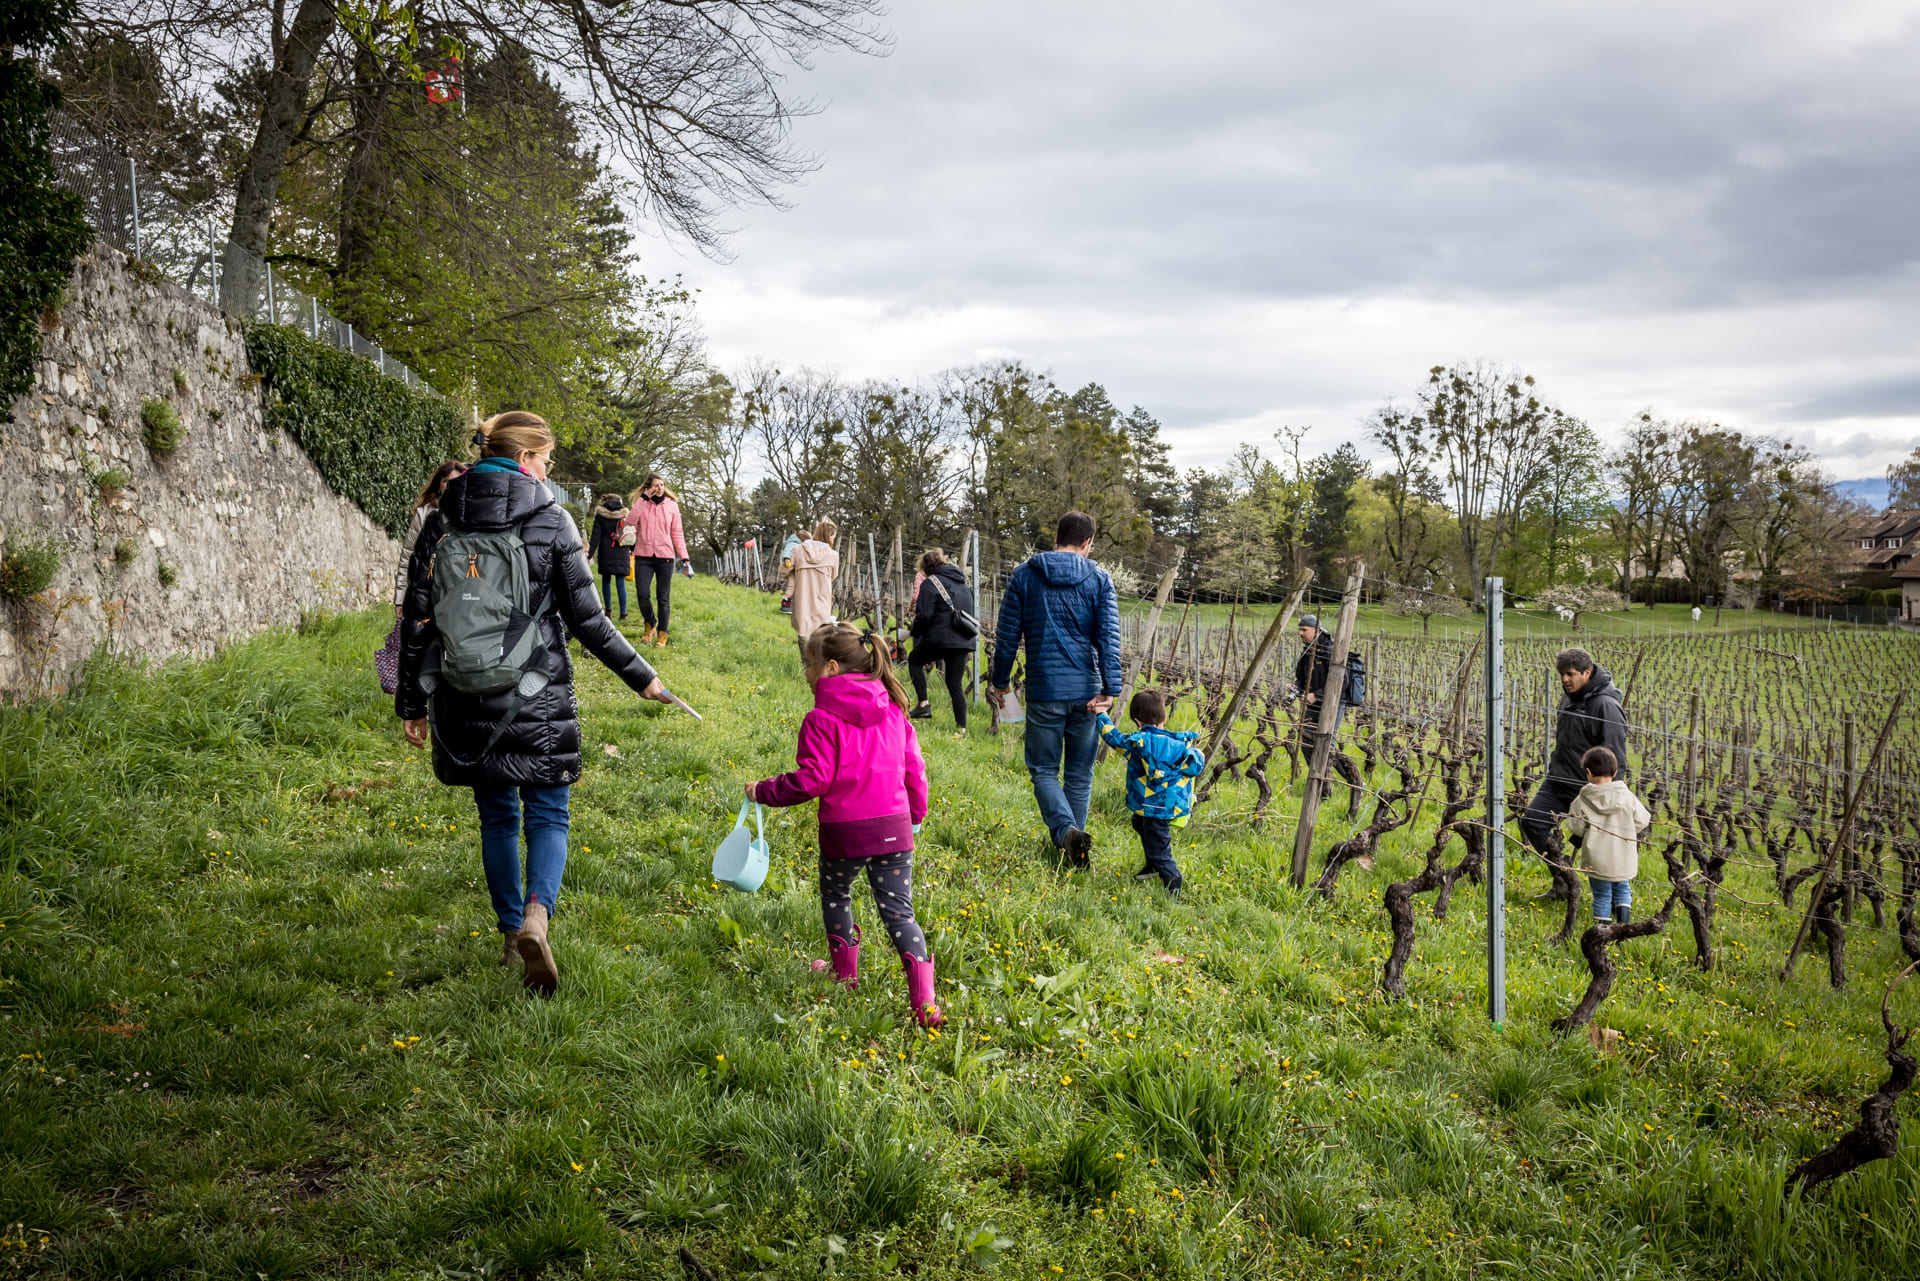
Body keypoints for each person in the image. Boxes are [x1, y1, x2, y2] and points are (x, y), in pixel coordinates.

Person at [396, 411, 672, 996]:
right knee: (548, 812)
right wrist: (643, 677)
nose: (547, 470)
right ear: (524, 459)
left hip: (461, 690)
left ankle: (507, 934)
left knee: (496, 815)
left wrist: (412, 704)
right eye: (545, 459)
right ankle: (536, 917)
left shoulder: (441, 518)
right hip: (535, 690)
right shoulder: (552, 519)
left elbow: (416, 620)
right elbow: (588, 620)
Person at [747, 623, 940, 1026]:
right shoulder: (894, 710)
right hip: (894, 828)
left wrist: (763, 790)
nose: (806, 672)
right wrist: (916, 816)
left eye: (809, 664)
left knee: (837, 895)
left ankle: (844, 975)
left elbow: (812, 780)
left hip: (845, 831)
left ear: (831, 667)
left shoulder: (821, 719)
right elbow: (915, 770)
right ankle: (925, 1005)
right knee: (900, 913)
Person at [989, 511, 1121, 869]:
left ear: (1056, 537)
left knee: (1044, 770)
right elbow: (1109, 639)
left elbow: (1006, 637)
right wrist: (1111, 688)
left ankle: (1067, 834)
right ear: (1087, 542)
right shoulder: (1099, 579)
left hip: (1045, 688)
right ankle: (1073, 847)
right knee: (1079, 774)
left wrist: (1001, 682)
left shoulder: (1025, 575)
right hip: (1087, 691)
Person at [1519, 646, 1629, 868]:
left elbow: (1616, 757)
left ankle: (1609, 893)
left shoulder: (1606, 706)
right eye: (1562, 674)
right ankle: (1563, 875)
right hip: (1558, 780)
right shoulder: (1568, 698)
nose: (1564, 679)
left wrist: (1608, 797)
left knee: (1600, 853)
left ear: (1587, 672)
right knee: (1532, 822)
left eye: (1570, 674)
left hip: (1588, 788)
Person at [1097, 687, 1205, 895]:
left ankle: (1172, 886)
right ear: (1164, 718)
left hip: (1153, 806)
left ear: (1137, 721)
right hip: (1168, 804)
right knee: (1139, 822)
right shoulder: (1180, 744)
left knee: (1159, 848)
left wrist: (1101, 714)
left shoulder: (1139, 744)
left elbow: (1113, 737)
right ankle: (1153, 866)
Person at [1565, 745, 1650, 924]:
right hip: (1623, 856)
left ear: (1588, 772)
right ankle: (1623, 928)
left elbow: (1575, 826)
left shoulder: (1583, 798)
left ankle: (1603, 932)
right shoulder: (1627, 796)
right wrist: (1627, 828)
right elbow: (1643, 819)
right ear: (1615, 772)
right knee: (1623, 889)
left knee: (1601, 895)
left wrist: (1588, 832)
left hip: (1597, 860)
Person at [1290, 614, 1363, 795]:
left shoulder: (1331, 651)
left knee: (1327, 746)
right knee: (1307, 744)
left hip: (1333, 705)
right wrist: (1296, 688)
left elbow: (1341, 682)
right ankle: (1320, 783)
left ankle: (1355, 782)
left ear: (1316, 630)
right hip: (1313, 705)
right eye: (1299, 630)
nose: (1300, 633)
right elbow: (1301, 678)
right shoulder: (1307, 651)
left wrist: (1316, 695)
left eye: (1304, 630)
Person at [907, 547, 976, 735]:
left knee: (914, 661)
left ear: (925, 567)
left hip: (940, 639)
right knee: (955, 684)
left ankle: (923, 704)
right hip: (963, 640)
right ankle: (961, 729)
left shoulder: (930, 583)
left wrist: (914, 633)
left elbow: (924, 616)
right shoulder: (964, 586)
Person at [624, 473, 692, 648]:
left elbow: (677, 533)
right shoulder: (642, 503)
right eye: (656, 485)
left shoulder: (672, 506)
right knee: (642, 594)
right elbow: (630, 521)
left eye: (662, 484)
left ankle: (663, 633)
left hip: (665, 557)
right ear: (649, 487)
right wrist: (643, 499)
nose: (660, 488)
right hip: (643, 556)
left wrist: (684, 556)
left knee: (663, 597)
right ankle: (650, 625)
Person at [392, 460, 467, 617]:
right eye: (445, 481)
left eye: (455, 481)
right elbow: (408, 556)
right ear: (439, 485)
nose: (450, 485)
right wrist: (400, 598)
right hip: (426, 592)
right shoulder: (423, 514)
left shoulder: (471, 513)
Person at [788, 519, 841, 657]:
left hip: (802, 597)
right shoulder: (833, 555)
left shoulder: (798, 550)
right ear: (829, 536)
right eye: (833, 537)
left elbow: (785, 570)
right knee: (820, 630)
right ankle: (818, 662)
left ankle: (806, 663)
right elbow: (833, 575)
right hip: (822, 597)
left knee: (803, 630)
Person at [587, 493, 633, 620]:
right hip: (622, 551)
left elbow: (595, 537)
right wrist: (633, 549)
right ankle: (623, 614)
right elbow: (630, 534)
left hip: (605, 551)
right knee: (620, 583)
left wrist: (589, 555)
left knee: (606, 581)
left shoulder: (601, 515)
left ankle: (608, 611)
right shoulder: (625, 515)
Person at [778, 528, 804, 614]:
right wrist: (787, 559)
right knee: (791, 586)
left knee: (795, 588)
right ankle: (785, 606)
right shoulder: (793, 543)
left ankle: (792, 606)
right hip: (791, 568)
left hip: (796, 568)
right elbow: (787, 551)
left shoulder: (798, 545)